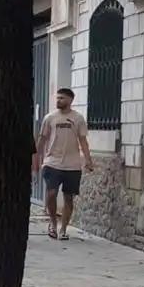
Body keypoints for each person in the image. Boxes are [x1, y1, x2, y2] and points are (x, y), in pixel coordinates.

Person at [34, 87, 93, 241]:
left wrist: (88, 159)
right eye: (58, 98)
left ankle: (64, 229)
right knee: (51, 194)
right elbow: (42, 139)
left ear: (70, 100)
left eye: (62, 98)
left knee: (68, 198)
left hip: (72, 165)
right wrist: (36, 159)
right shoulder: (50, 118)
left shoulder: (78, 118)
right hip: (52, 162)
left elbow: (83, 140)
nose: (59, 100)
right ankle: (53, 223)